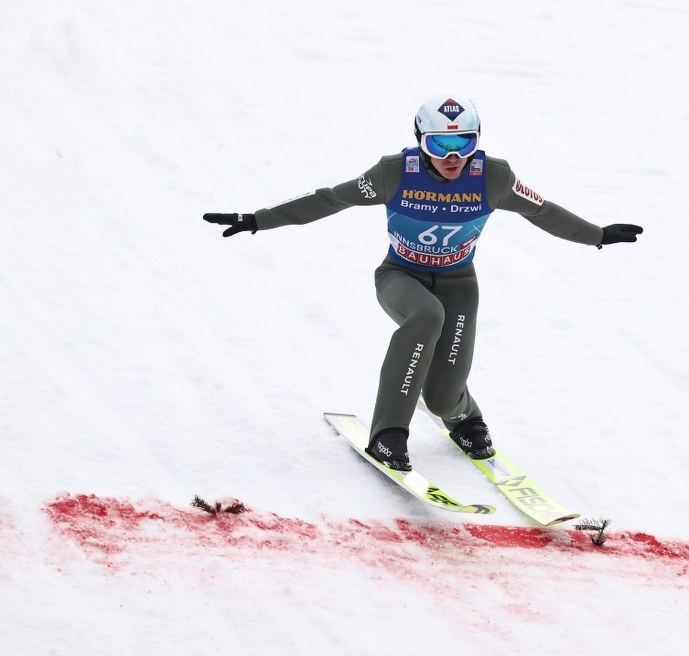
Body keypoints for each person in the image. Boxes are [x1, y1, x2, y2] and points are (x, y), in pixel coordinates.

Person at [204, 93, 642, 472]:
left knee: (442, 399)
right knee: (426, 315)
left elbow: (542, 210)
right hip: (400, 275)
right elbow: (331, 199)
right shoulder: (395, 173)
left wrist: (598, 235)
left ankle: (463, 416)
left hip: (459, 285)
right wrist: (259, 219)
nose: (453, 156)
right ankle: (389, 433)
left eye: (464, 143)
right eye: (439, 144)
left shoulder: (493, 177)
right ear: (420, 141)